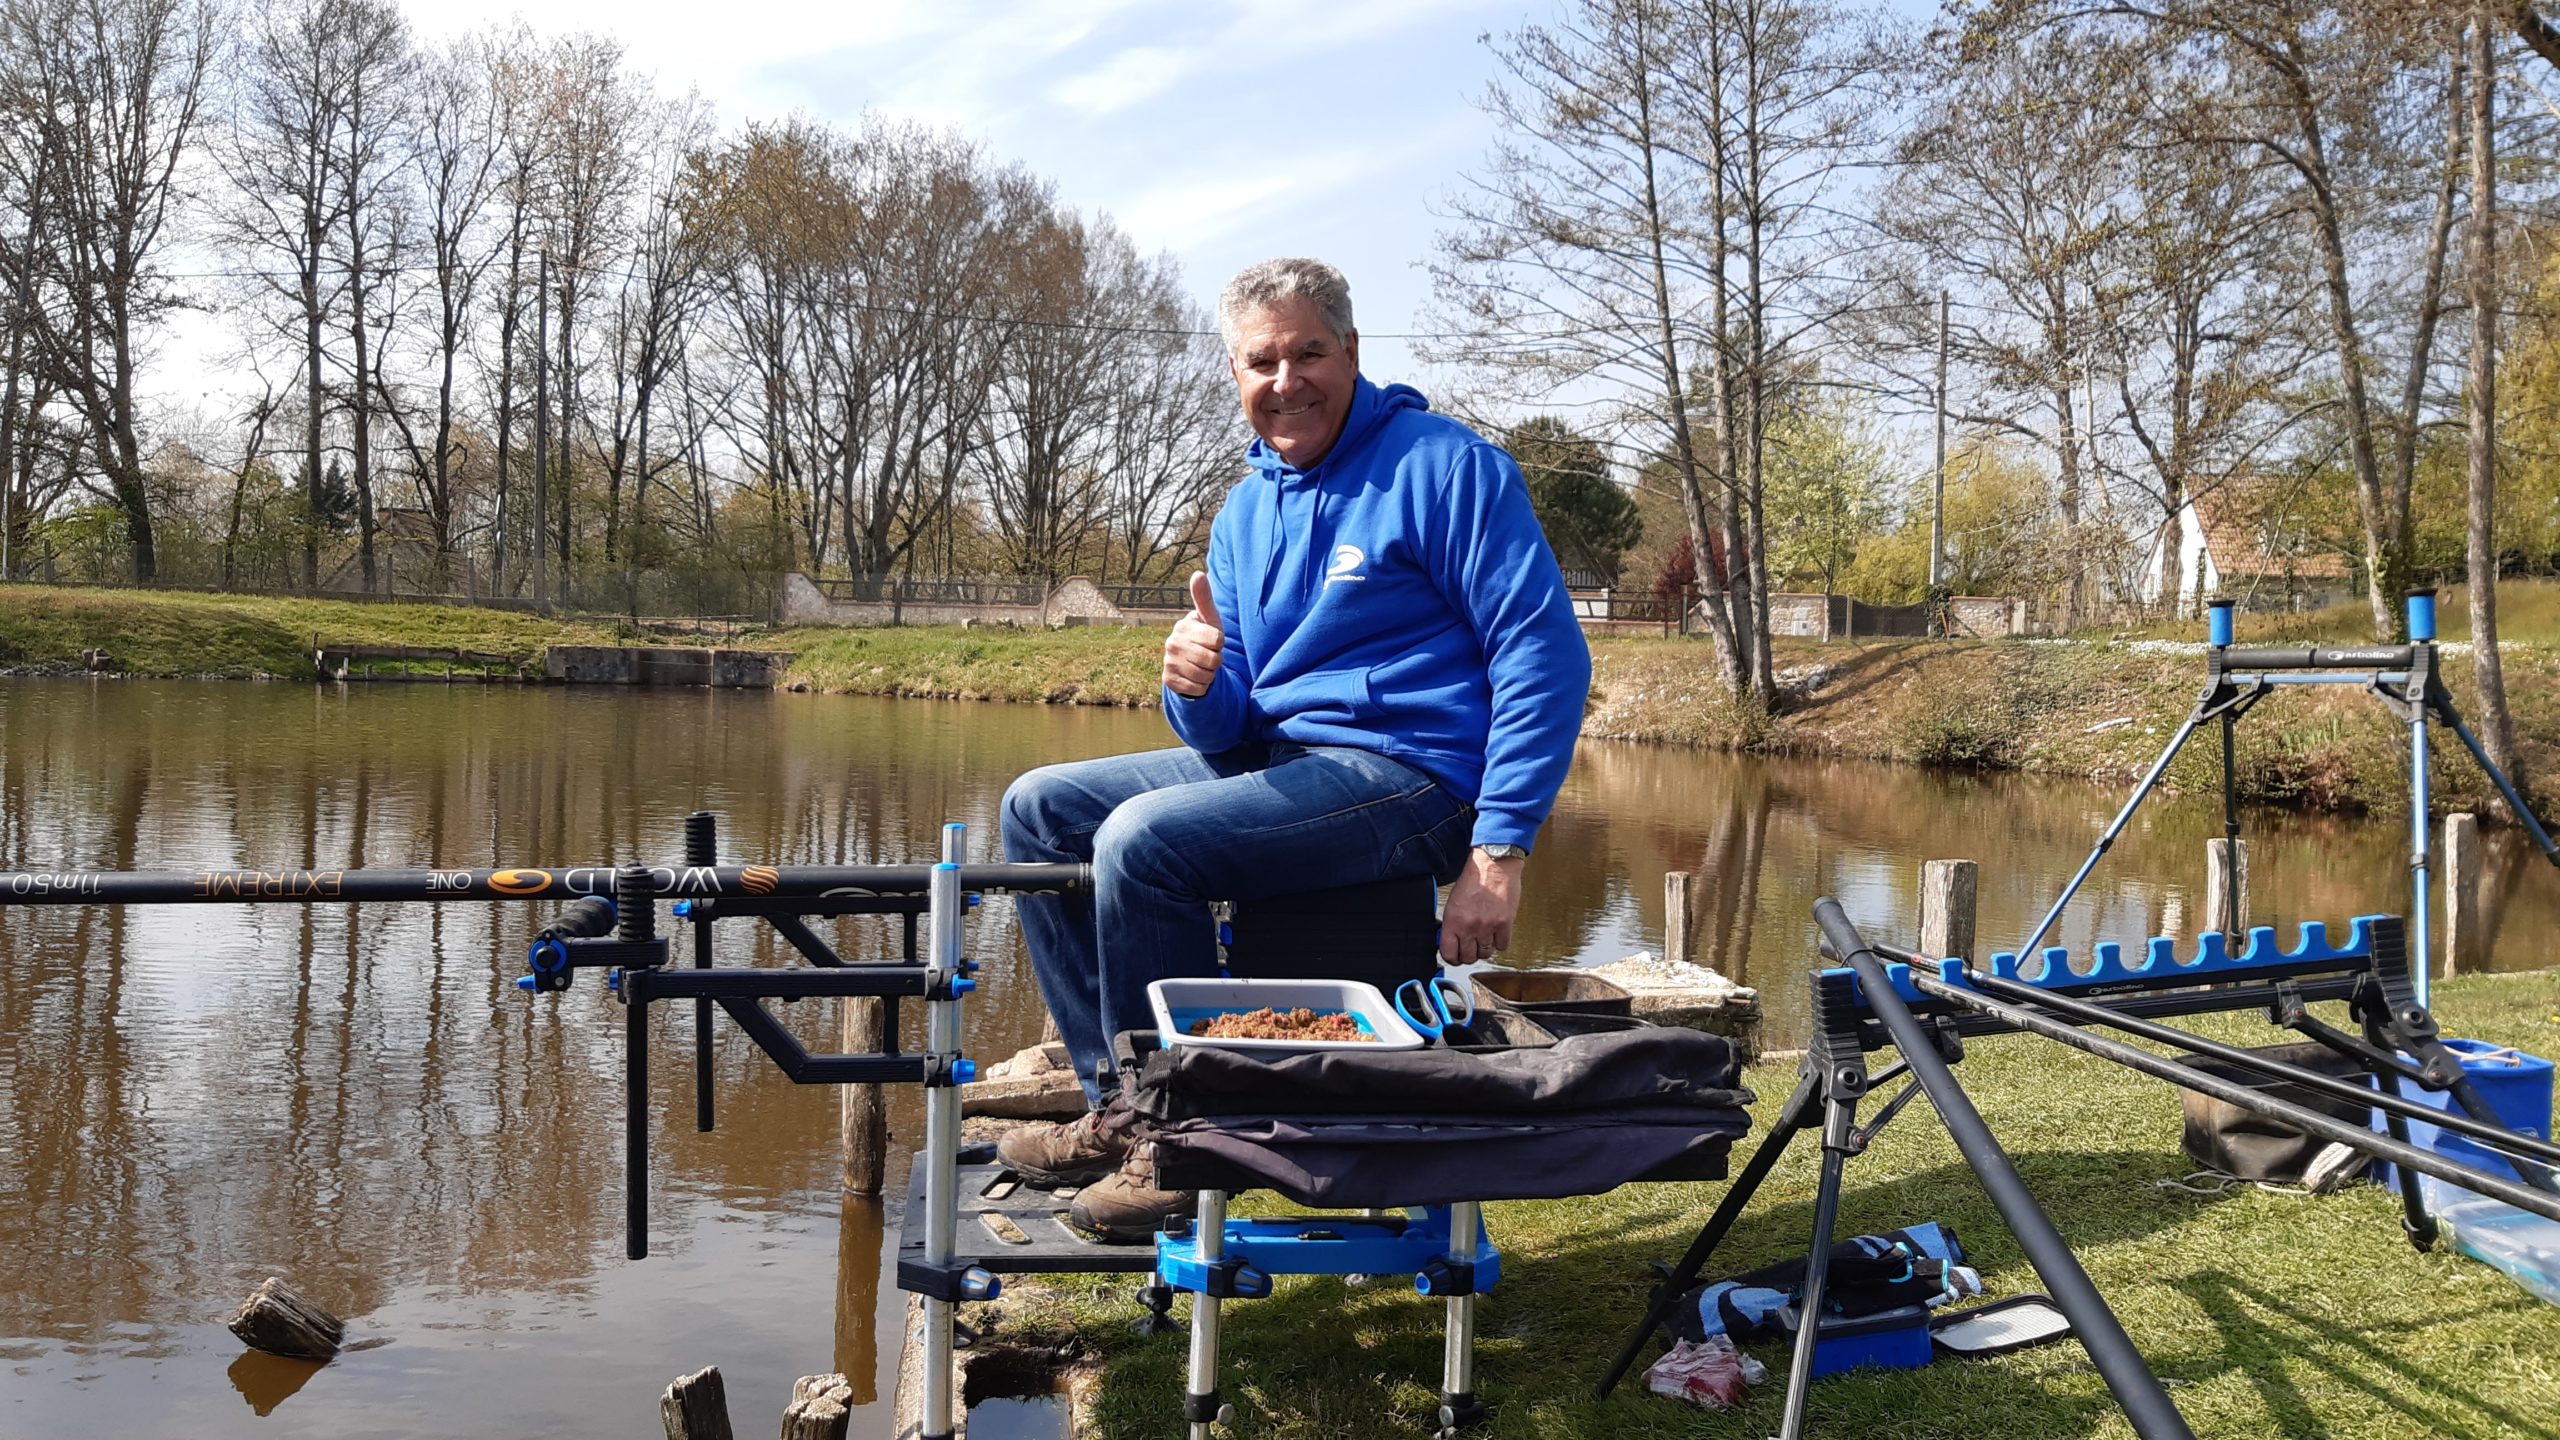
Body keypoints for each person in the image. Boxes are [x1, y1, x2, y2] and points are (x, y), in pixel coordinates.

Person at [996, 257, 1591, 1239]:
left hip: (1416, 777)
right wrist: (1191, 686)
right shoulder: (1244, 512)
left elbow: (1543, 656)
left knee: (1143, 844)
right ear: (1235, 374)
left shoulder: (1446, 470)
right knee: (1039, 809)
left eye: (1307, 353)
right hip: (1288, 764)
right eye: (1260, 361)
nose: (1285, 381)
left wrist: (1498, 850)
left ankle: (1191, 1142)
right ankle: (1125, 1106)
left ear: (1350, 353)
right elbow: (1235, 720)